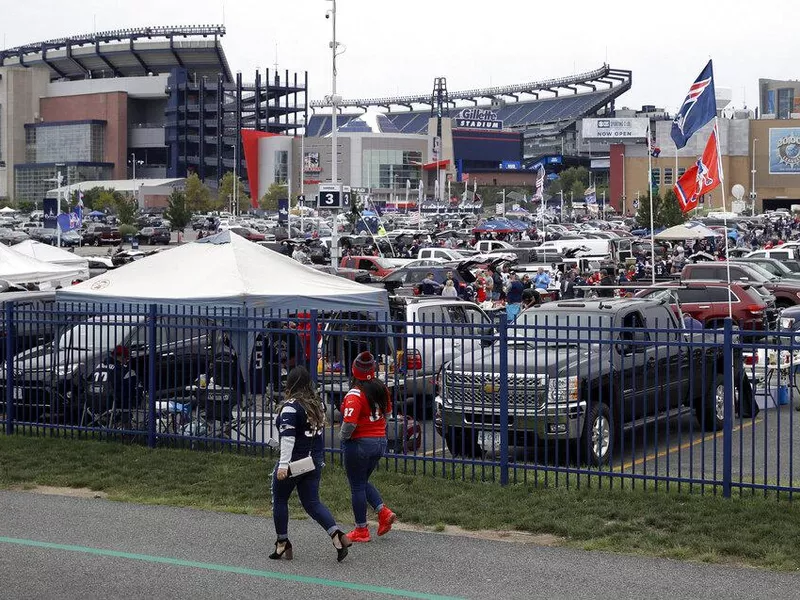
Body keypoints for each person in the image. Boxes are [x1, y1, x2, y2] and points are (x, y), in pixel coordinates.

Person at [270, 366, 352, 562]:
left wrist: (283, 465)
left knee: (280, 499)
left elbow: (288, 438)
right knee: (312, 503)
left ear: (289, 385)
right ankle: (336, 536)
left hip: (295, 461)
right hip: (313, 461)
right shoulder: (317, 404)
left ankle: (282, 543)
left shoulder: (290, 406)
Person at [340, 352, 396, 543]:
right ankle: (383, 512)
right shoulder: (381, 388)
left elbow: (349, 424)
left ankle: (361, 529)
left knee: (356, 485)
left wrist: (343, 439)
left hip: (359, 443)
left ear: (354, 370)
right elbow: (388, 413)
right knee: (362, 481)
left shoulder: (355, 394)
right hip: (380, 440)